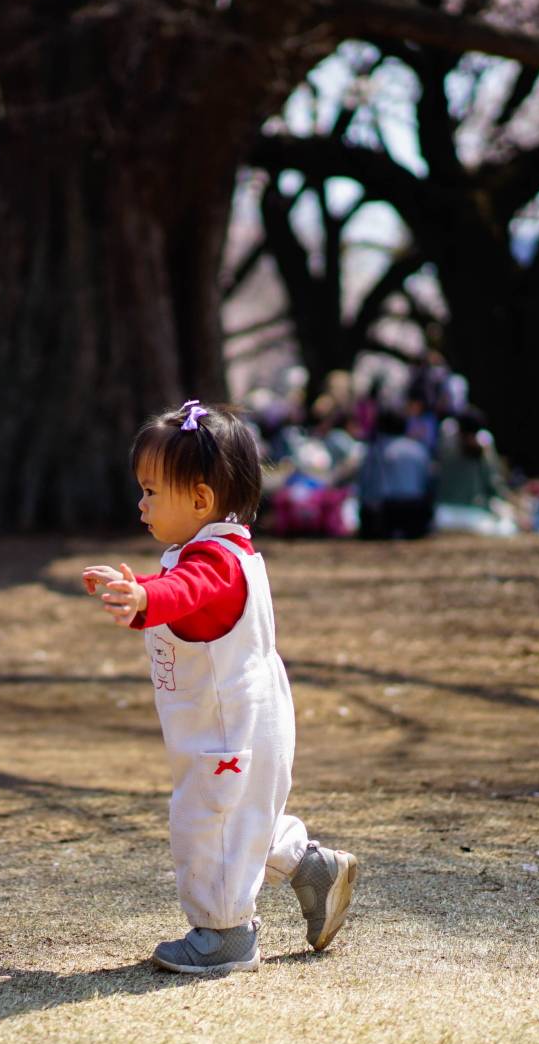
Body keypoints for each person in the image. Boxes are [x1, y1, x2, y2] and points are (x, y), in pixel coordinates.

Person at [80, 399, 357, 975]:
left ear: (201, 500)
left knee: (208, 824)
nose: (141, 503)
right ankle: (312, 869)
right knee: (241, 816)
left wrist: (147, 598)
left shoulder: (216, 564)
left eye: (153, 491)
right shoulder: (222, 552)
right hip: (240, 721)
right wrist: (137, 591)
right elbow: (177, 587)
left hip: (228, 728)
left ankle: (226, 933)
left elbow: (187, 592)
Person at [355, 409, 435, 540]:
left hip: (388, 511)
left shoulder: (377, 450)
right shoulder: (419, 449)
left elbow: (367, 486)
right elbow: (428, 484)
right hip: (415, 509)